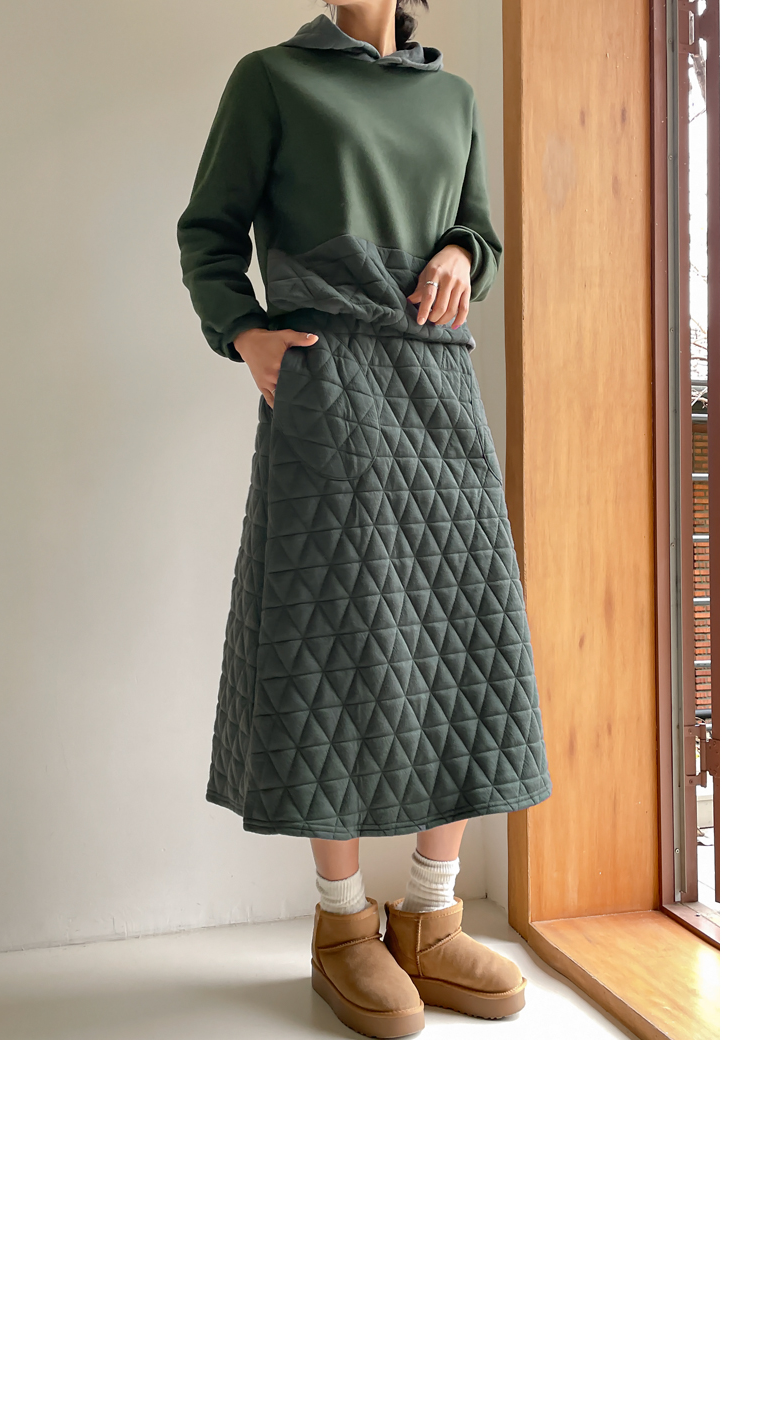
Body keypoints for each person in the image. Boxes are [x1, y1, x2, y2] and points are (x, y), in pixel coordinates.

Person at [177, 1, 552, 1039]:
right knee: (330, 637)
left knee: (468, 638)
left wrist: (463, 254)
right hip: (328, 380)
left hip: (437, 382)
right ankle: (342, 925)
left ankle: (430, 915)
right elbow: (208, 231)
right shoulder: (270, 78)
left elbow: (479, 231)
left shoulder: (453, 96)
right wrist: (243, 331)